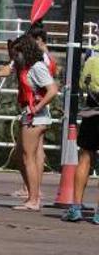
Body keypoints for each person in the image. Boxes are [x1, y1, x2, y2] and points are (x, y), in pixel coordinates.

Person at [10, 35, 58, 211]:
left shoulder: (37, 67)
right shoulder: (28, 67)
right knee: (26, 156)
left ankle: (33, 199)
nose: (16, 57)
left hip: (35, 117)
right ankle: (33, 196)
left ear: (25, 51)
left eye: (18, 53)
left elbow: (52, 90)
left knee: (27, 157)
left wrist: (36, 107)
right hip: (32, 116)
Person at [62, 49, 99, 223]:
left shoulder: (92, 55)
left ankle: (76, 207)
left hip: (92, 114)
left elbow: (83, 84)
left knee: (85, 157)